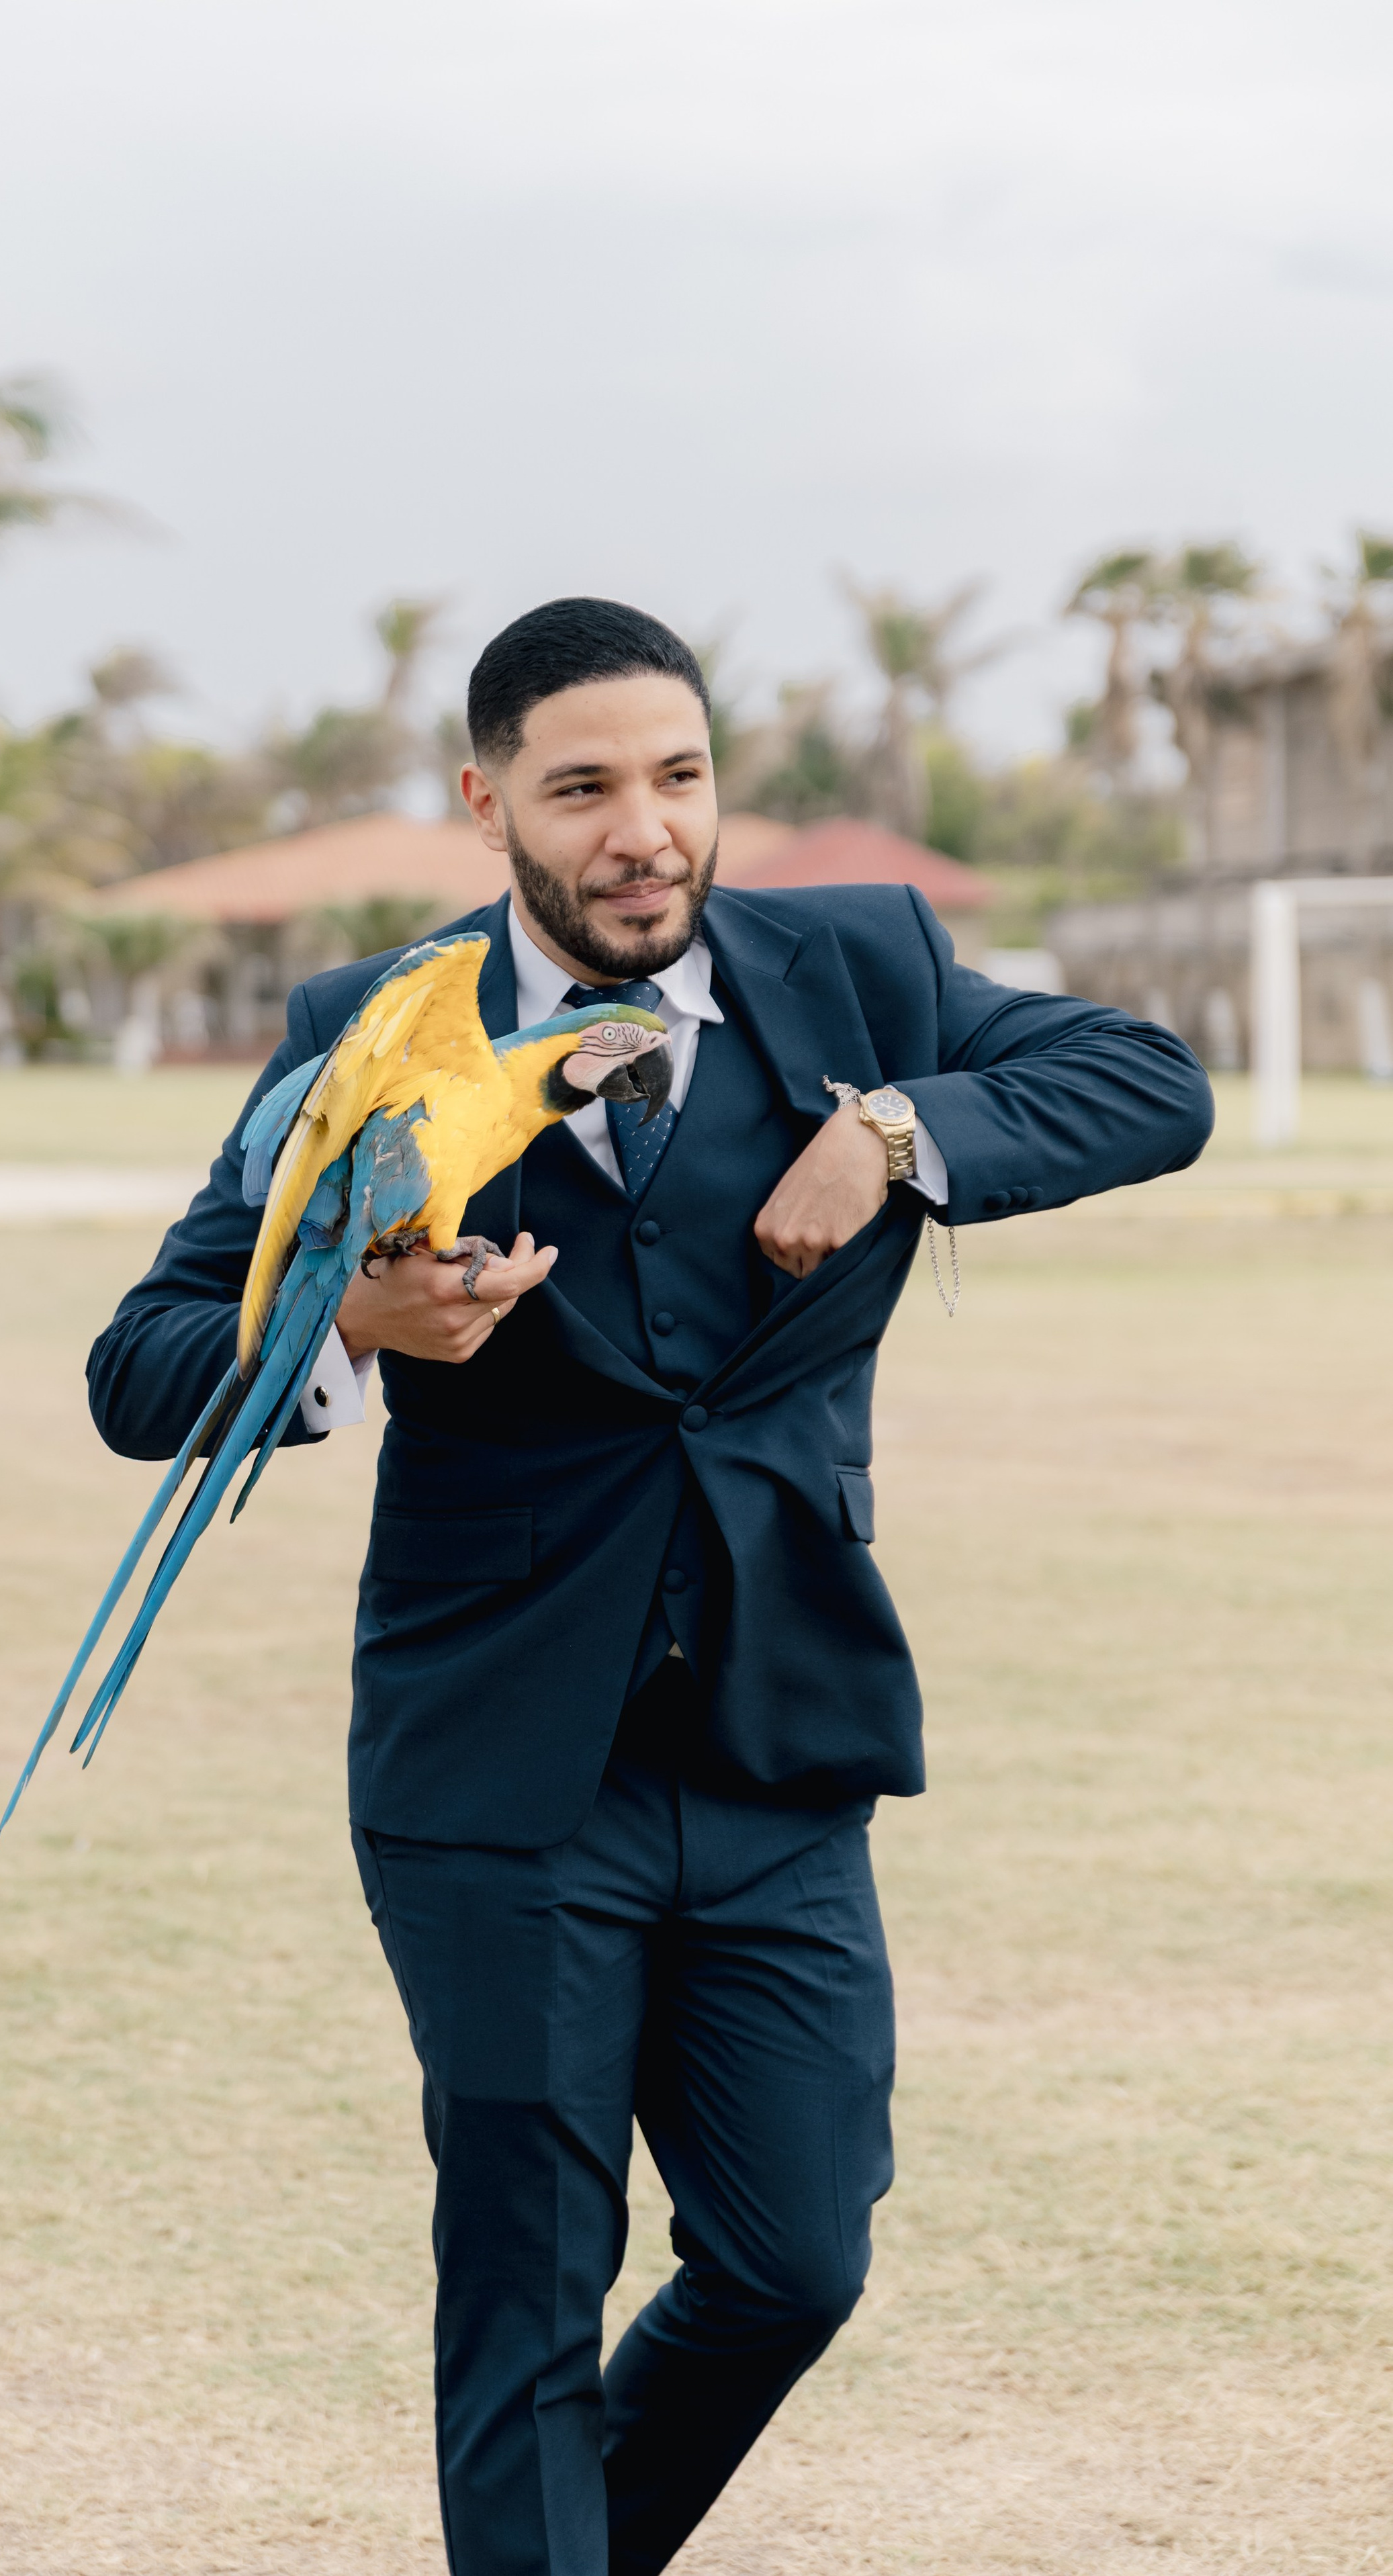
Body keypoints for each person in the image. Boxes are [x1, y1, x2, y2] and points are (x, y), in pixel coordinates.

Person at [87, 598, 1214, 2576]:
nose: (643, 831)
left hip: (779, 1741)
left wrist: (896, 1128)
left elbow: (1153, 1083)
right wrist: (347, 1322)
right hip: (500, 1768)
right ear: (487, 799)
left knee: (796, 2255)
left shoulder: (865, 966)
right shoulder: (375, 1029)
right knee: (527, 2273)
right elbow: (144, 1360)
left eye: (678, 778)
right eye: (583, 785)